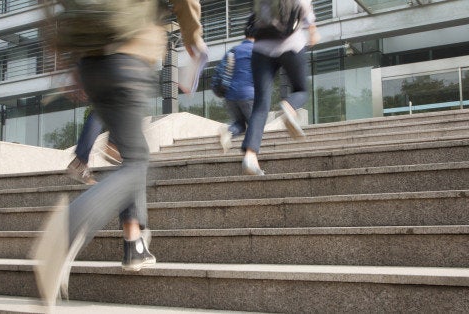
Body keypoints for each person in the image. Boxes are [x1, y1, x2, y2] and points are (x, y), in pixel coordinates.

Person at [32, 0, 206, 308]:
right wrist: (194, 39)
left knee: (131, 154)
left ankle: (134, 244)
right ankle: (69, 226)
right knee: (138, 163)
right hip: (129, 53)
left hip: (90, 63)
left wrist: (65, 60)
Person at [240, 0, 320, 175]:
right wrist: (312, 29)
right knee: (301, 89)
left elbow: (253, 14)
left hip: (261, 48)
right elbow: (304, 6)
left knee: (260, 104)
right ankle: (289, 106)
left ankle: (250, 156)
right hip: (291, 44)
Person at [218, 16, 255, 153]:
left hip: (230, 96)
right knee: (254, 125)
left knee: (240, 124)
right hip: (248, 95)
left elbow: (221, 70)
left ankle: (229, 131)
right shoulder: (256, 51)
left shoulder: (233, 50)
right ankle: (249, 155)